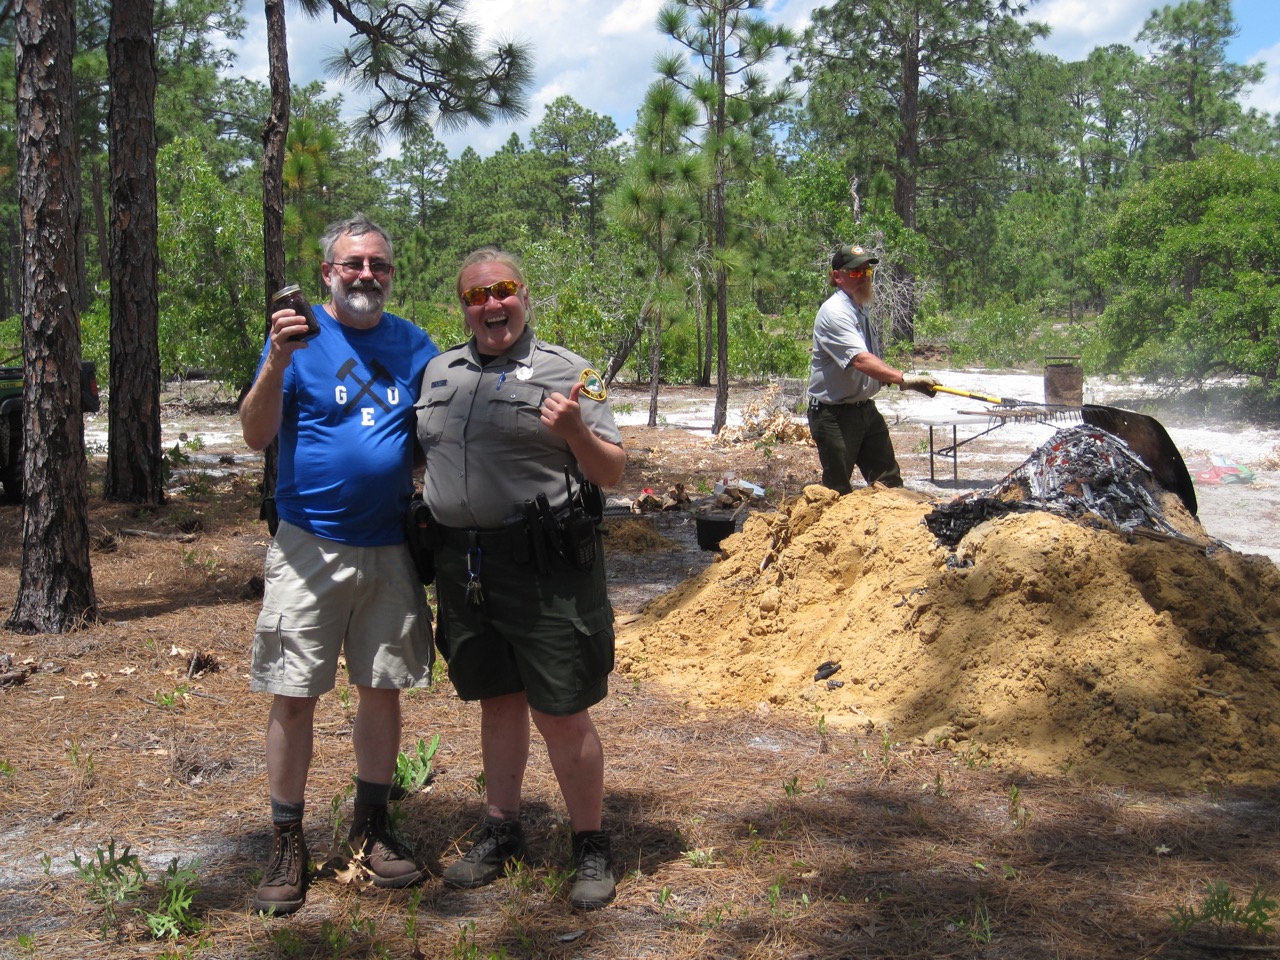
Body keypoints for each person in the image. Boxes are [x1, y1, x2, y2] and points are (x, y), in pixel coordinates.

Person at [240, 213, 440, 915]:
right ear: (328, 273)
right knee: (294, 694)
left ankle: (372, 827)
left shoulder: (414, 344)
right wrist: (275, 360)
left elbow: (433, 431)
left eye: (378, 266)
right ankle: (287, 839)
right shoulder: (298, 340)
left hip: (388, 545)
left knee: (381, 688)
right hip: (306, 546)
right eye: (352, 264)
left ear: (390, 275)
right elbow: (254, 432)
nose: (365, 276)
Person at [415, 247, 626, 911]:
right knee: (497, 699)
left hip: (544, 565)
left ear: (525, 295)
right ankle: (502, 830)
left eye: (502, 291)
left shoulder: (570, 373)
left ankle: (589, 844)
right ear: (465, 308)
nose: (492, 306)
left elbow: (612, 471)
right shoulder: (438, 370)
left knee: (561, 709)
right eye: (477, 296)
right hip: (464, 566)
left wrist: (574, 431)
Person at [806, 243, 940, 495]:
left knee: (889, 482)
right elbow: (860, 360)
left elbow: (868, 361)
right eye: (856, 273)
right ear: (838, 276)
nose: (864, 278)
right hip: (834, 415)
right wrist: (904, 379)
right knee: (837, 491)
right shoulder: (834, 312)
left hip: (864, 410)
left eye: (867, 273)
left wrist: (887, 378)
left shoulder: (860, 307)